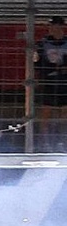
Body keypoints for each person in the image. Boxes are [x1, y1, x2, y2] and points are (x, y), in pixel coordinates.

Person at [35, 16, 67, 150]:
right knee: (46, 112)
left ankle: (63, 141)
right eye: (52, 26)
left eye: (57, 26)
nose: (54, 28)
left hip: (65, 81)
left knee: (64, 112)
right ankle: (44, 142)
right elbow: (36, 62)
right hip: (48, 81)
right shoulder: (42, 43)